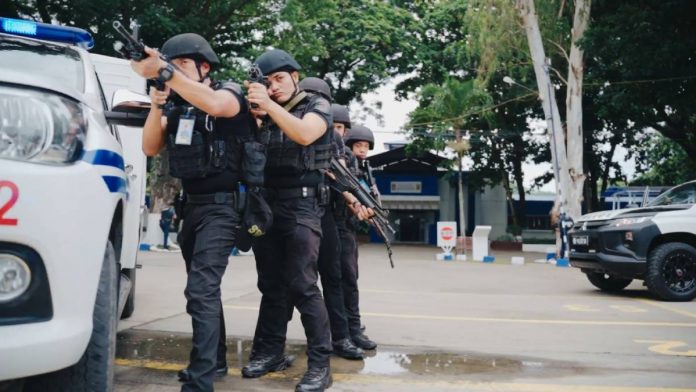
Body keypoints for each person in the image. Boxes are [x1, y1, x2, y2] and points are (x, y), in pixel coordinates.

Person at [130, 33, 256, 392]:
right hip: (192, 209)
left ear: (204, 67)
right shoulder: (175, 104)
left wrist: (166, 74)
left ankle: (200, 381)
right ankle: (213, 361)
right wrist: (157, 105)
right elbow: (150, 146)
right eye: (171, 63)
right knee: (203, 291)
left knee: (201, 290)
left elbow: (217, 106)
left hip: (223, 208)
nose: (173, 70)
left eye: (183, 63)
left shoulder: (227, 92)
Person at [242, 49, 333, 391]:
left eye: (279, 79)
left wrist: (268, 105)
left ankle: (321, 365)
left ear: (296, 76)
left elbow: (306, 134)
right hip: (267, 205)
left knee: (303, 285)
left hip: (302, 205)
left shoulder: (315, 105)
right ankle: (269, 353)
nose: (274, 86)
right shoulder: (261, 111)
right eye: (267, 82)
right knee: (271, 286)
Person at [298, 81, 364, 361]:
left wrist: (354, 200)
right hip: (298, 211)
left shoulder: (339, 146)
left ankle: (342, 336)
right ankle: (272, 347)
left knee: (335, 279)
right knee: (292, 285)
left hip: (328, 214)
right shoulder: (287, 127)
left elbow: (341, 181)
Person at [341, 124, 379, 351]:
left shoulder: (365, 169)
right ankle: (343, 329)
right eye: (358, 145)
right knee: (339, 280)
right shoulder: (344, 165)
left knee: (350, 278)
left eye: (366, 146)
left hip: (348, 229)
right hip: (334, 225)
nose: (363, 150)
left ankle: (353, 327)